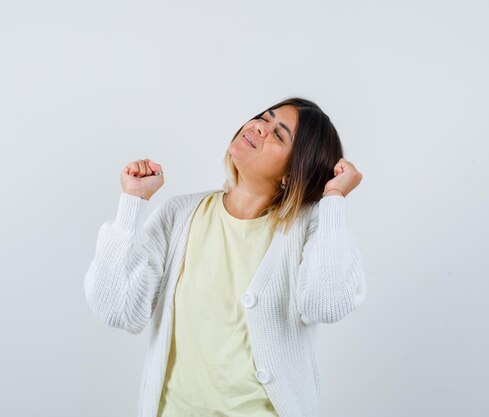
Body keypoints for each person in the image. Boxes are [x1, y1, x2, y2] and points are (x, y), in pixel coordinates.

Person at [84, 97, 367, 417]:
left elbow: (326, 303)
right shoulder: (179, 215)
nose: (260, 126)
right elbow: (117, 309)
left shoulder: (309, 230)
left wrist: (332, 199)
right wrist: (132, 203)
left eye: (278, 134)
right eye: (265, 117)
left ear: (293, 172)